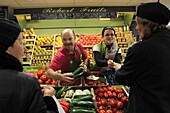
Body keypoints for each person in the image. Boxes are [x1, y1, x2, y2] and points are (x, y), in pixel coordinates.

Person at [113, 1, 170, 113]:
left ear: (147, 25)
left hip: (146, 107)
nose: (137, 28)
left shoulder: (139, 49)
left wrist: (119, 68)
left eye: (138, 24)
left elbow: (122, 78)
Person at [0, 18, 58, 113]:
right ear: (8, 47)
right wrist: (48, 98)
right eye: (21, 43)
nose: (24, 49)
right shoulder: (26, 83)